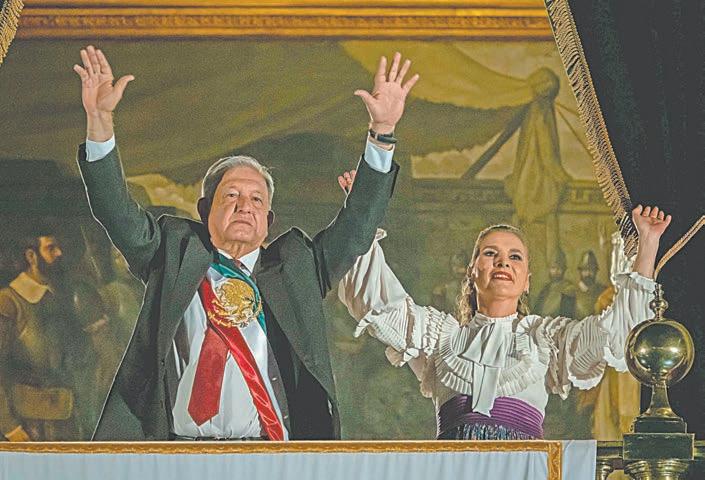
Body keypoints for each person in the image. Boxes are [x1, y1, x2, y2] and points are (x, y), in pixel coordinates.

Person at [73, 45, 418, 440]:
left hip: (271, 455)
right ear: (205, 210)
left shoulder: (297, 268)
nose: (244, 206)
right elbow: (115, 212)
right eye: (231, 195)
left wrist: (382, 134)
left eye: (256, 200)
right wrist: (99, 122)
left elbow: (357, 228)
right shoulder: (172, 253)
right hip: (178, 454)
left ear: (268, 222)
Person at [337, 186, 670, 439]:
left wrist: (647, 245)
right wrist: (362, 212)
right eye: (490, 253)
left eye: (515, 257)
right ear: (472, 272)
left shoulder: (545, 340)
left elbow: (618, 334)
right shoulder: (440, 338)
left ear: (527, 281)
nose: (502, 262)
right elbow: (376, 303)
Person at [0, 230, 85, 441]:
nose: (59, 253)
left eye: (59, 247)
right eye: (50, 248)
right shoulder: (8, 302)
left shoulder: (58, 297)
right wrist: (10, 427)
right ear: (31, 256)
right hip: (29, 426)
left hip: (66, 417)